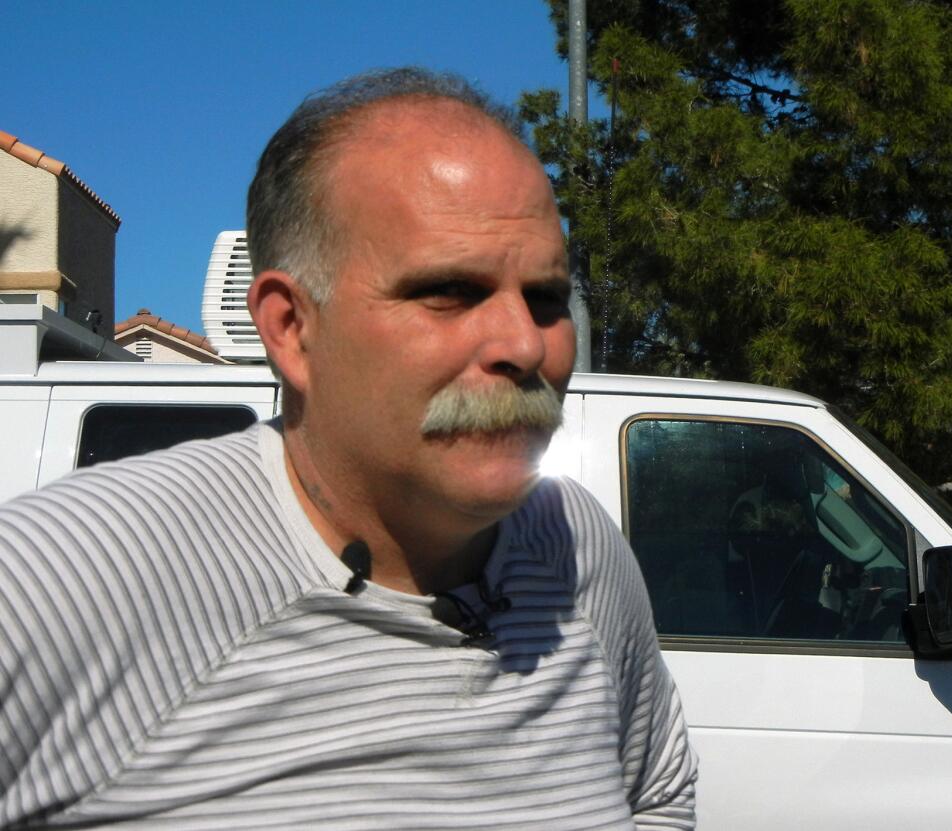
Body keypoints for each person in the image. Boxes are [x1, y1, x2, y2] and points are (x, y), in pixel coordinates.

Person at [0, 68, 697, 829]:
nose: (526, 345)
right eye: (450, 292)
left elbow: (657, 792)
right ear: (292, 328)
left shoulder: (578, 548)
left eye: (547, 298)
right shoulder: (59, 578)